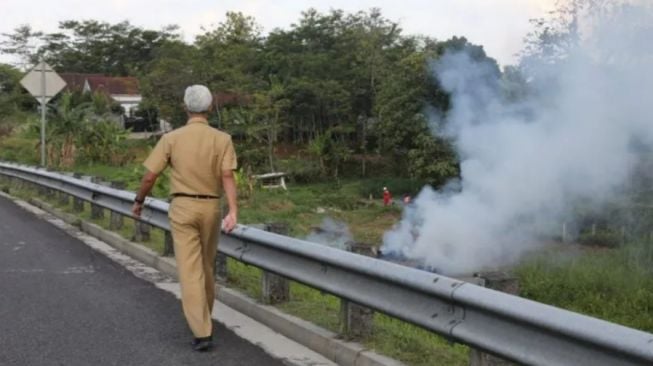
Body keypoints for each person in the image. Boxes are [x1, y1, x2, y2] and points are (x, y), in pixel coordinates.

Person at [131, 85, 238, 352]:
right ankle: (205, 317)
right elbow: (227, 175)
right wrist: (233, 210)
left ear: (185, 107)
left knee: (190, 270)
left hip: (182, 206)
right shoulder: (222, 139)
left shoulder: (171, 138)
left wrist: (139, 201)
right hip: (211, 207)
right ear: (210, 108)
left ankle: (202, 332)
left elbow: (150, 176)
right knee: (206, 265)